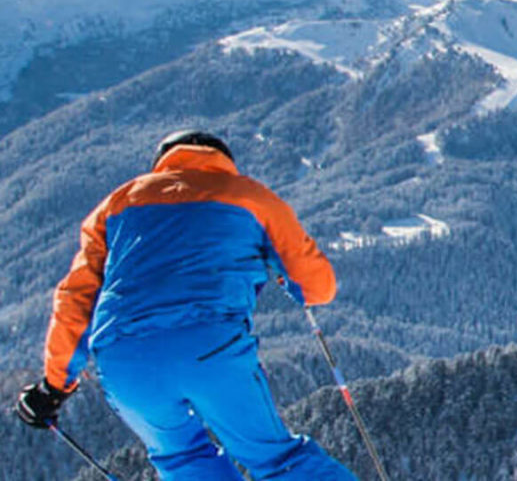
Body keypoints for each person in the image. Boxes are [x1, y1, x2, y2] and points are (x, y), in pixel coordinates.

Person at [13, 130, 359, 481]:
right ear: (223, 161)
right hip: (210, 348)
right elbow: (318, 287)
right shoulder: (251, 197)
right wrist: (284, 276)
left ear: (162, 164)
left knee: (182, 460)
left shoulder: (116, 204)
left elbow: (75, 299)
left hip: (124, 361)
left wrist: (54, 387)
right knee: (276, 458)